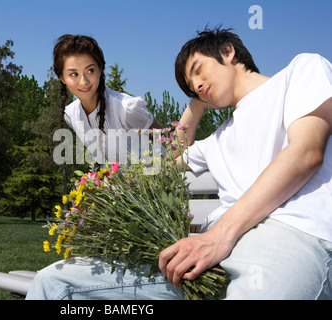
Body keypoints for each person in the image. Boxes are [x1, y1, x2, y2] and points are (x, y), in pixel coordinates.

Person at [27, 27, 332, 300]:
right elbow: (168, 159)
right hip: (207, 262)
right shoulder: (217, 141)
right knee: (54, 283)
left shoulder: (300, 72)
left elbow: (305, 153)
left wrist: (217, 236)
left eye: (199, 71)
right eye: (189, 86)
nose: (197, 85)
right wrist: (196, 103)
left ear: (228, 51)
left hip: (285, 241)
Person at [52, 34, 162, 165]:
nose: (83, 82)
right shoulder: (71, 114)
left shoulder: (126, 109)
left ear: (100, 69)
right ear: (62, 78)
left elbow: (169, 140)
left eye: (90, 71)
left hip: (158, 178)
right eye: (74, 74)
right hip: (117, 183)